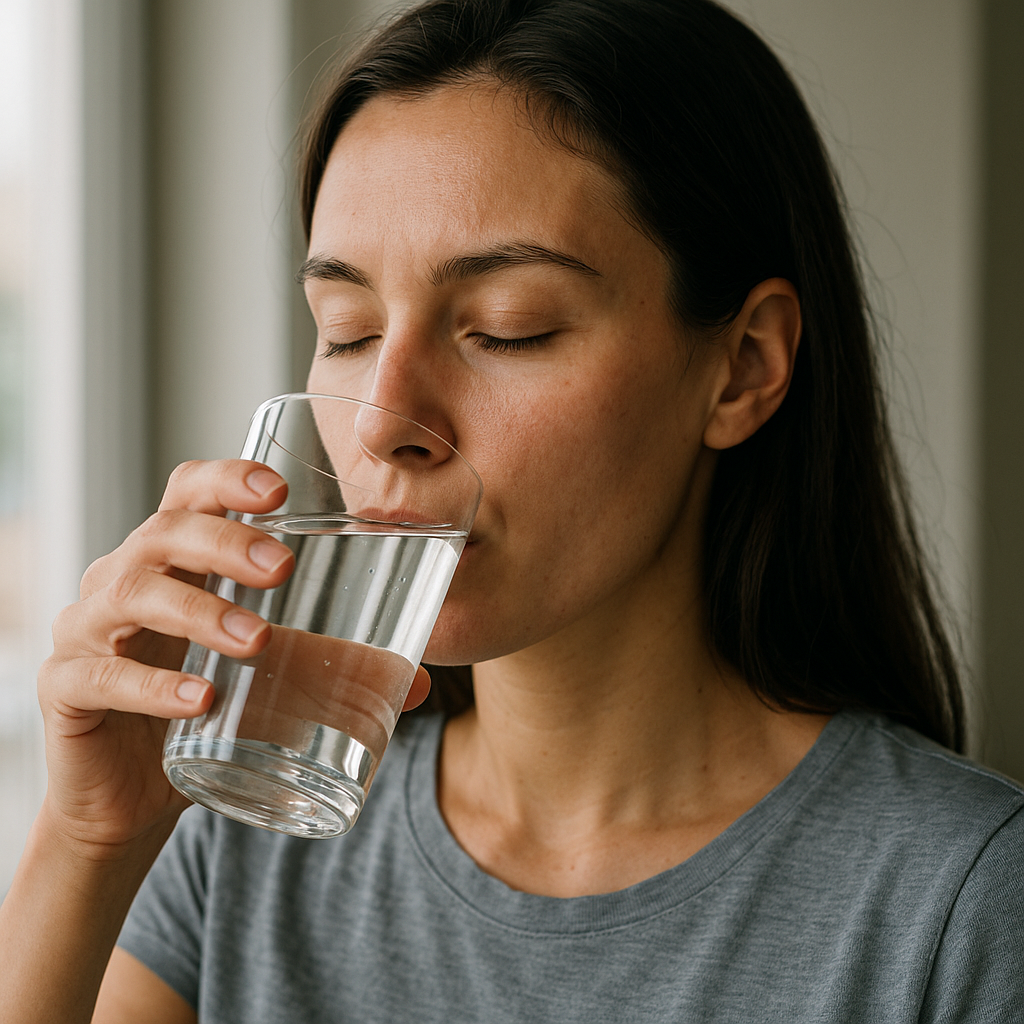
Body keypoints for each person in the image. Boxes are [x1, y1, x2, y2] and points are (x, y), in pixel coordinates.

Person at [2, 0, 1022, 1020]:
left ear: (741, 367)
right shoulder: (249, 839)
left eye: (507, 329)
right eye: (348, 329)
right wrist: (86, 842)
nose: (384, 423)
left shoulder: (959, 901)